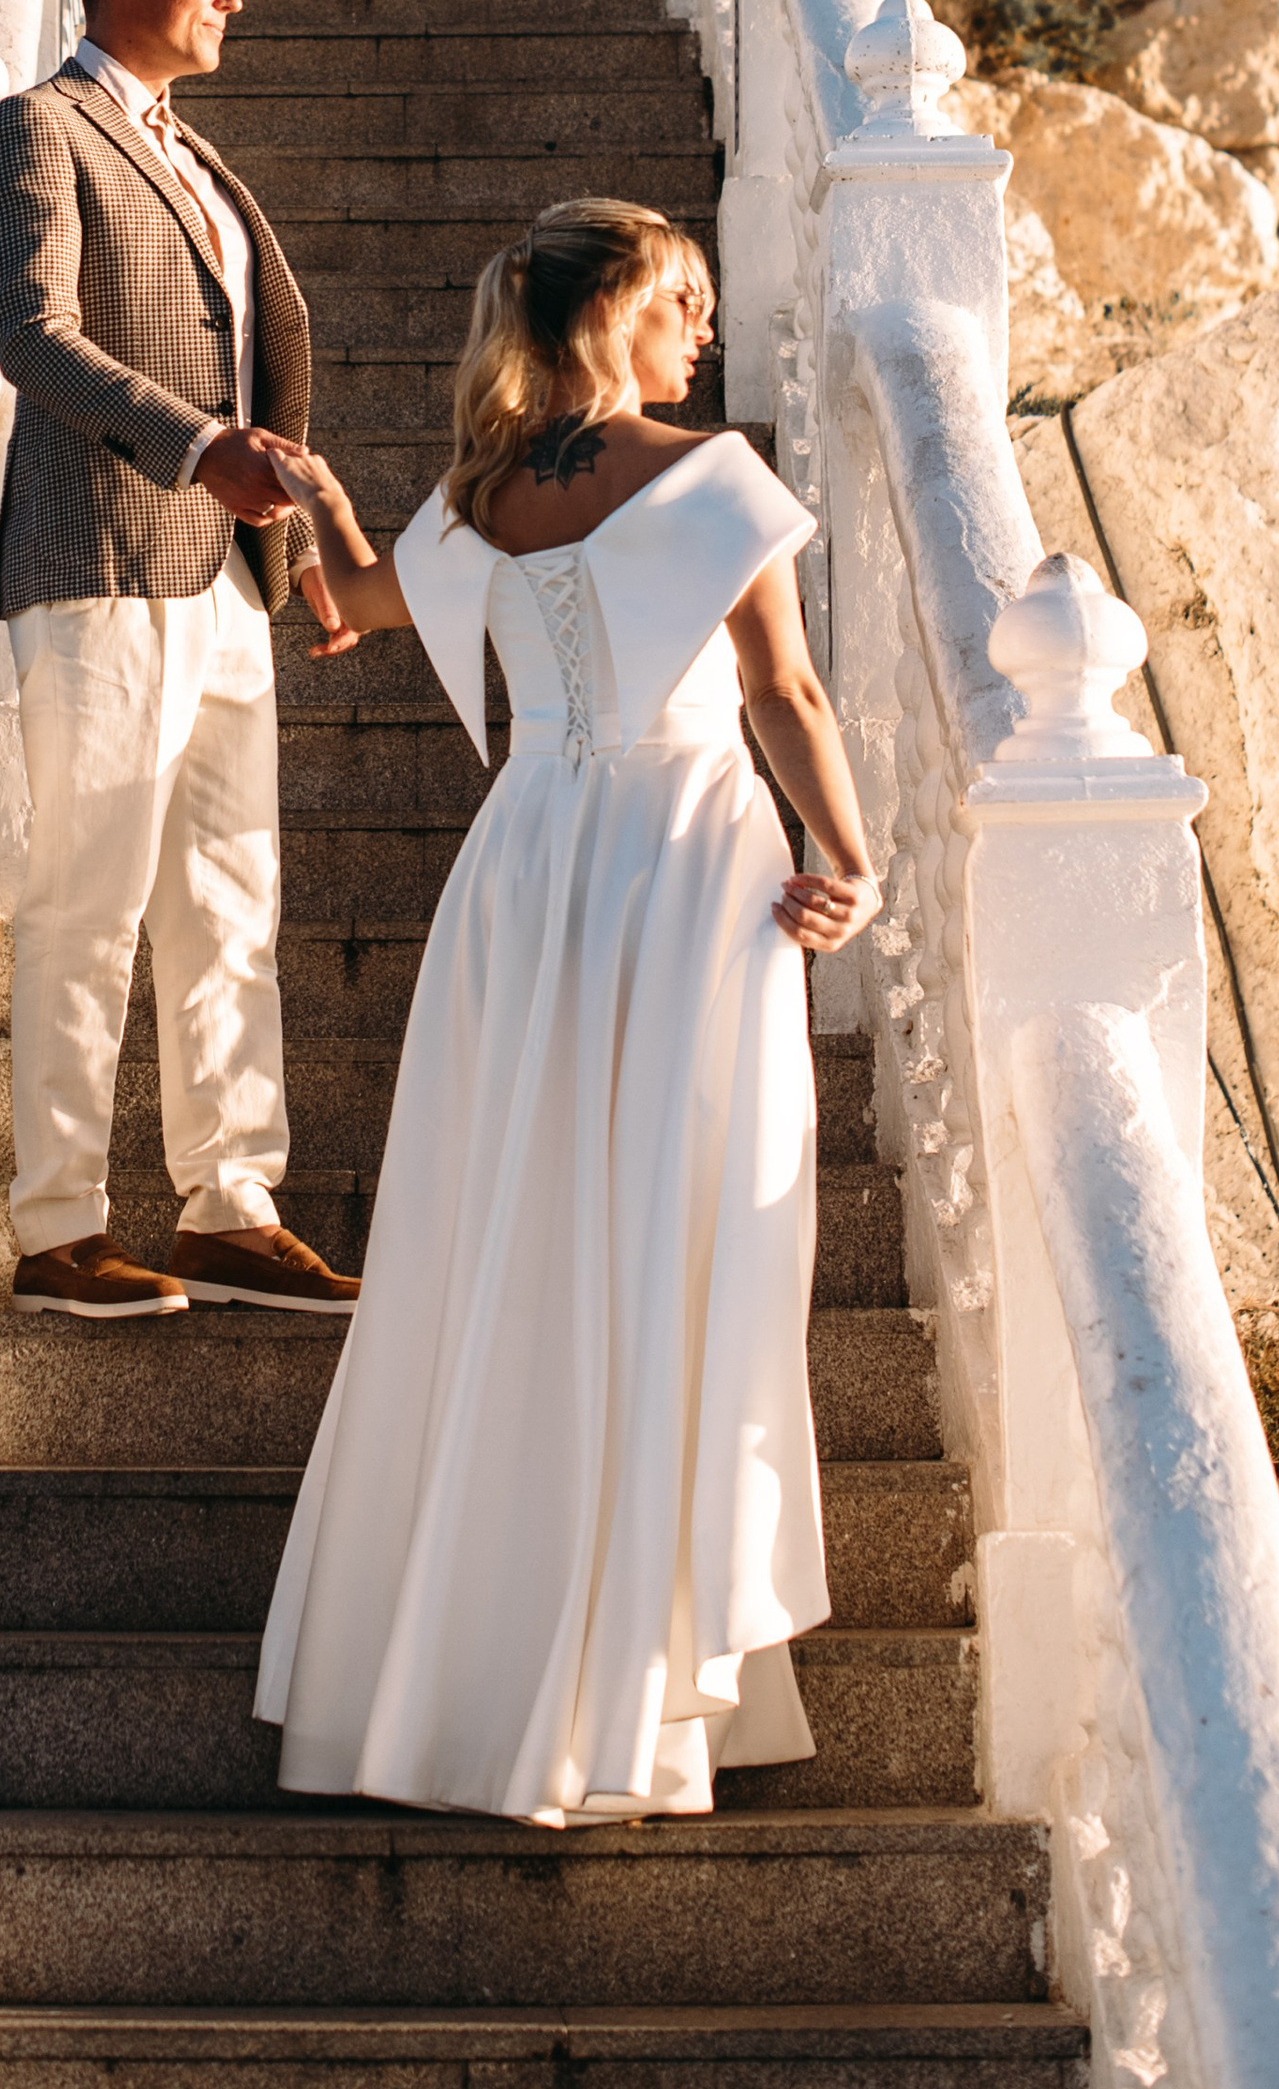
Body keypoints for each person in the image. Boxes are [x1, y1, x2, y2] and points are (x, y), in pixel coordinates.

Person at [252, 197, 880, 1823]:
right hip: (679, 857)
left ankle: (470, 1671)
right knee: (674, 1227)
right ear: (623, 308)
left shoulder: (475, 502)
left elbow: (340, 613)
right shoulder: (714, 475)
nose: (706, 334)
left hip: (527, 860)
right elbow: (780, 690)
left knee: (505, 1233)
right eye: (687, 302)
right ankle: (632, 1677)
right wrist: (852, 857)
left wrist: (317, 498)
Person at [0, 0, 363, 1324]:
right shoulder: (34, 130)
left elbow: (255, 370)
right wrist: (199, 448)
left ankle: (230, 1202)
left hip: (226, 585)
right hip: (104, 564)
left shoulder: (203, 163)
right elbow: (34, 337)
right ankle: (62, 1223)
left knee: (231, 902)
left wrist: (296, 555)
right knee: (92, 894)